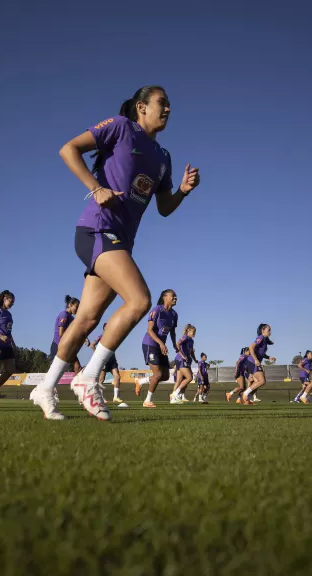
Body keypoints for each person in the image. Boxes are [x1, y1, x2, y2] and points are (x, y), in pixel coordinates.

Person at [28, 85, 200, 421]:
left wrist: (182, 191)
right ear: (141, 106)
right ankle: (88, 379)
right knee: (139, 300)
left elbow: (164, 208)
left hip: (120, 242)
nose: (167, 109)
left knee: (87, 320)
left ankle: (45, 388)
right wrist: (96, 188)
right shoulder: (122, 127)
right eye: (161, 103)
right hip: (95, 229)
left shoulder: (164, 158)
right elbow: (68, 149)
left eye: (170, 106)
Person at [139, 290, 180, 408]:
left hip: (161, 346)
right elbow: (150, 330)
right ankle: (147, 401)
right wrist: (161, 343)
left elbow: (172, 331)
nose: (175, 298)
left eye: (176, 297)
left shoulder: (174, 314)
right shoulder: (157, 309)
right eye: (173, 296)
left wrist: (174, 344)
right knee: (157, 374)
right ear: (164, 297)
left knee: (166, 376)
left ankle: (142, 381)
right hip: (150, 344)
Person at [49, 295, 90, 373]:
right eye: (77, 307)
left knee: (77, 364)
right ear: (70, 305)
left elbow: (78, 330)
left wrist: (85, 338)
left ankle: (78, 383)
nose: (78, 309)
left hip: (67, 345)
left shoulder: (71, 318)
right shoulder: (64, 315)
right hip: (58, 346)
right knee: (54, 371)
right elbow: (61, 333)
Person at [91, 323, 126, 407]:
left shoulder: (114, 336)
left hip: (112, 361)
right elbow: (92, 345)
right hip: (103, 361)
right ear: (104, 328)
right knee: (101, 380)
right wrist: (99, 355)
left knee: (117, 377)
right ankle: (101, 397)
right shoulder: (101, 337)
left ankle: (116, 397)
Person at [241, 325, 276, 405]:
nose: (270, 332)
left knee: (259, 381)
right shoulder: (261, 337)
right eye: (269, 330)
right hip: (252, 362)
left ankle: (247, 398)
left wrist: (268, 357)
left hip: (253, 362)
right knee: (261, 381)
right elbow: (251, 347)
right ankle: (245, 394)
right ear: (263, 330)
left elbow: (261, 353)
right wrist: (256, 360)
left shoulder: (264, 340)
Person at [171, 324, 196, 403]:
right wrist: (182, 355)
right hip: (181, 360)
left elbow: (191, 351)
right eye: (193, 332)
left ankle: (173, 399)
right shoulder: (185, 337)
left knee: (179, 380)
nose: (194, 333)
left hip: (182, 360)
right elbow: (177, 344)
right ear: (188, 331)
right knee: (189, 378)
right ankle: (176, 393)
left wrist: (195, 359)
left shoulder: (191, 340)